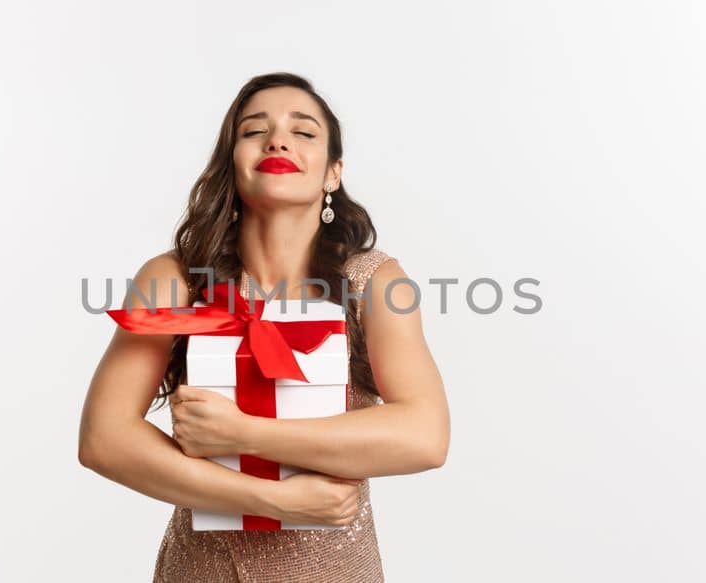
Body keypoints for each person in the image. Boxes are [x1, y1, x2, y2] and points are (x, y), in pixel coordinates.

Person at [78, 72, 450, 582]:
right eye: (254, 130)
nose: (278, 139)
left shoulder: (374, 282)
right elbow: (105, 438)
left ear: (332, 173)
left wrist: (243, 433)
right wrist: (275, 500)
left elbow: (425, 436)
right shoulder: (175, 279)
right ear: (232, 164)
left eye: (304, 132)